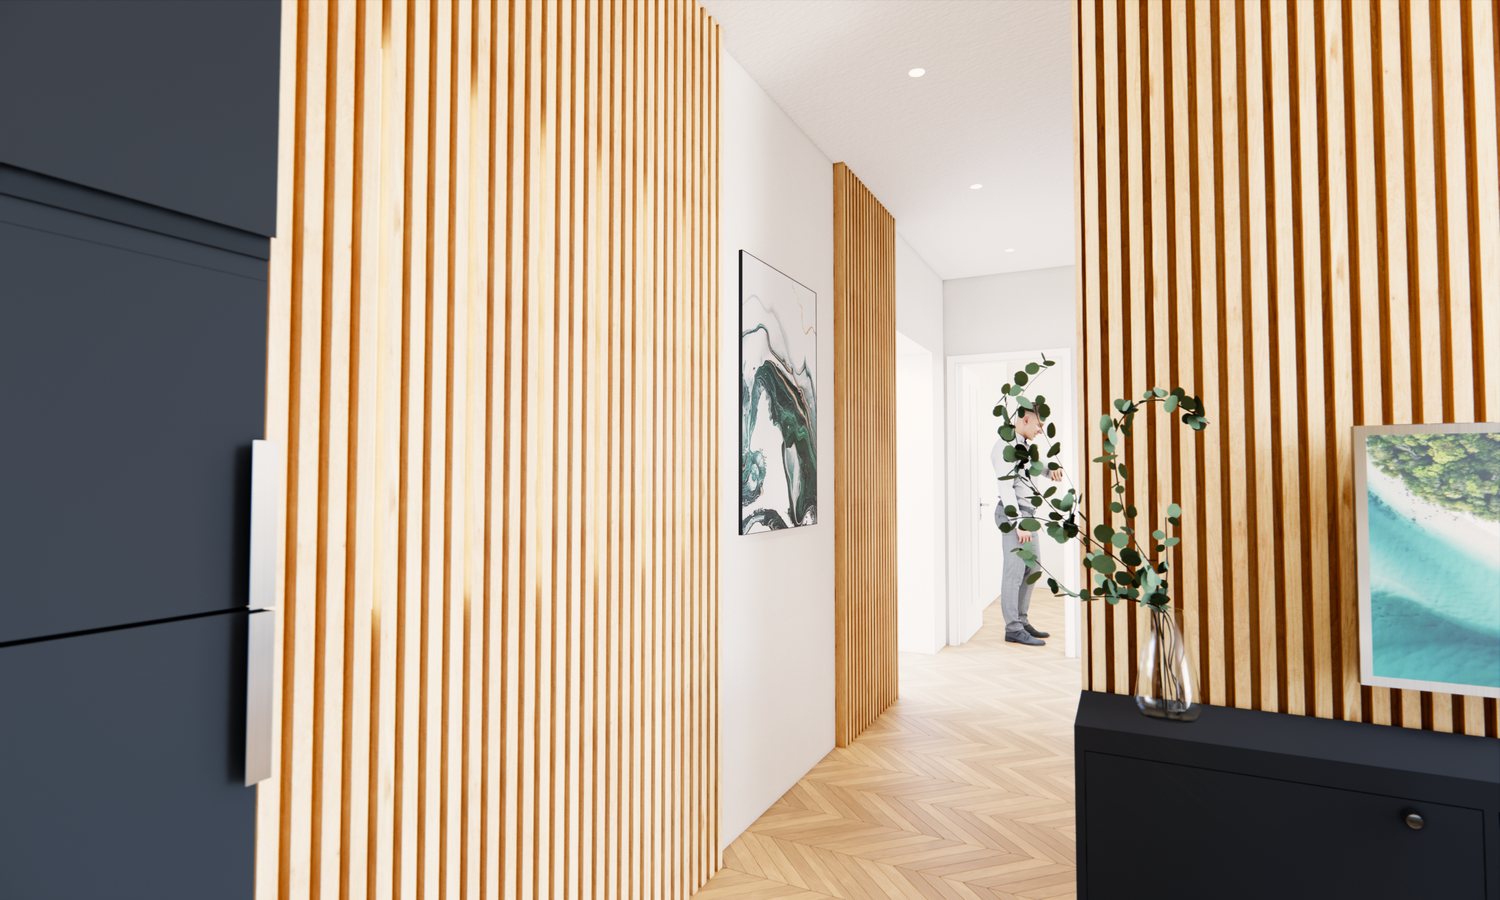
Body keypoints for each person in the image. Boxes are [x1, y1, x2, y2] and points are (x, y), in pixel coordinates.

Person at [991, 407, 1064, 646]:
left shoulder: (1023, 446)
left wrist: (1050, 470)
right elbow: (1006, 487)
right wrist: (1017, 523)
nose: (1041, 430)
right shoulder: (1004, 447)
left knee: (1032, 569)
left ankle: (1021, 621)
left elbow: (1031, 466)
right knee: (1014, 573)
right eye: (1039, 425)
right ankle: (1013, 629)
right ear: (1025, 420)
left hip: (1027, 516)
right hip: (1014, 516)